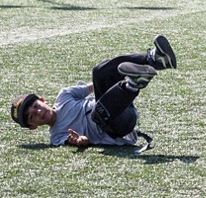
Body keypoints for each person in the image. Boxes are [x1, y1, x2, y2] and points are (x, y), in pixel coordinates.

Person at [10, 35, 177, 148]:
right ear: (32, 126)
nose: (38, 112)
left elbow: (94, 86)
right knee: (98, 113)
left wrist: (111, 76)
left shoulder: (64, 96)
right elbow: (82, 141)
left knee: (98, 71)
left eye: (35, 106)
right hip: (117, 130)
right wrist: (80, 141)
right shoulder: (56, 137)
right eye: (32, 117)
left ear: (42, 99)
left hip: (122, 108)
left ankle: (156, 60)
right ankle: (131, 85)